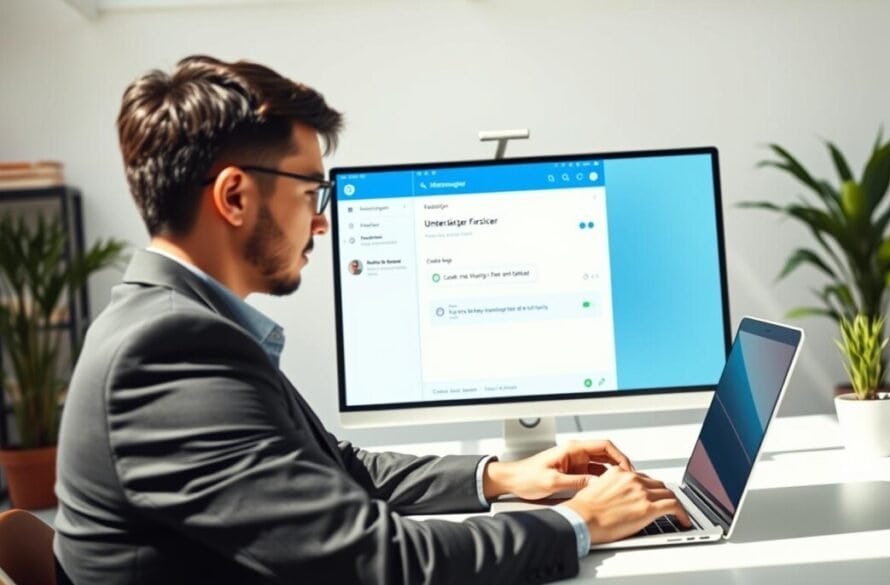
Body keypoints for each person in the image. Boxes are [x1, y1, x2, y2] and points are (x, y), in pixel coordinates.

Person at [54, 55, 688, 585]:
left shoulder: (180, 322)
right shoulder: (168, 349)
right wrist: (580, 522)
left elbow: (335, 468)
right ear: (235, 196)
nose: (322, 221)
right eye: (312, 191)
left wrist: (501, 477)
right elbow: (379, 560)